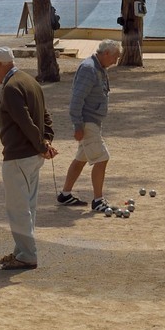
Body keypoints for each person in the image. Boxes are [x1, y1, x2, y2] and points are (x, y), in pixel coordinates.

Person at [0, 47, 56, 271]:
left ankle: (26, 255)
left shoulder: (11, 88)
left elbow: (25, 122)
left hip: (19, 156)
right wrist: (46, 141)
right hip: (33, 155)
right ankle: (21, 250)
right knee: (28, 207)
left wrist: (42, 144)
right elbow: (45, 115)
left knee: (17, 208)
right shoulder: (29, 81)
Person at [57, 38, 119, 211]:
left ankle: (65, 195)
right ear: (106, 53)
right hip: (88, 123)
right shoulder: (88, 69)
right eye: (115, 57)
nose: (115, 62)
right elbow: (76, 99)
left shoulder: (99, 67)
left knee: (81, 159)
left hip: (93, 122)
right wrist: (78, 126)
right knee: (102, 157)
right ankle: (98, 201)